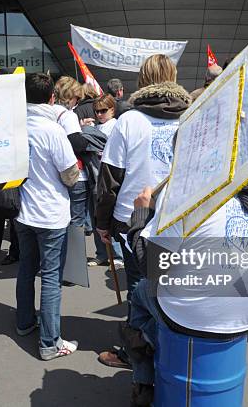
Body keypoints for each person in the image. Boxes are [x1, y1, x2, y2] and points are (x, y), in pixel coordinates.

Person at [124, 172, 248, 406]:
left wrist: (141, 213)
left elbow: (149, 263)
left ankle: (143, 376)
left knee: (140, 291)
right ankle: (150, 339)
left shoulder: (188, 192)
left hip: (190, 318)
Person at [95, 54, 192, 368]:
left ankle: (137, 353)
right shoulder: (190, 117)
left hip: (134, 216)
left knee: (140, 288)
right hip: (178, 216)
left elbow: (110, 178)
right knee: (169, 285)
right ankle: (167, 344)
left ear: (142, 80)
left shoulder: (129, 120)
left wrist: (102, 223)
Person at [15, 73, 80, 360]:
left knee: (26, 269)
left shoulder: (15, 126)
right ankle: (50, 343)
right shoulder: (52, 130)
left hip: (22, 211)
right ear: (52, 98)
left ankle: (24, 322)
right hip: (50, 213)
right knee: (51, 277)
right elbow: (70, 174)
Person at [85, 94, 124, 268]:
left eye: (103, 110)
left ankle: (117, 254)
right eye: (97, 111)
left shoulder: (116, 126)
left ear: (112, 110)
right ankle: (102, 253)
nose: (99, 114)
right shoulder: (97, 127)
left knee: (108, 217)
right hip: (95, 177)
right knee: (96, 218)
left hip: (109, 179)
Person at [53, 77, 90, 230]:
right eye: (77, 98)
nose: (77, 102)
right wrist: (88, 139)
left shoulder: (49, 111)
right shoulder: (68, 115)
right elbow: (76, 142)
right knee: (76, 221)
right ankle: (75, 253)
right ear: (71, 96)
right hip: (75, 174)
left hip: (54, 173)